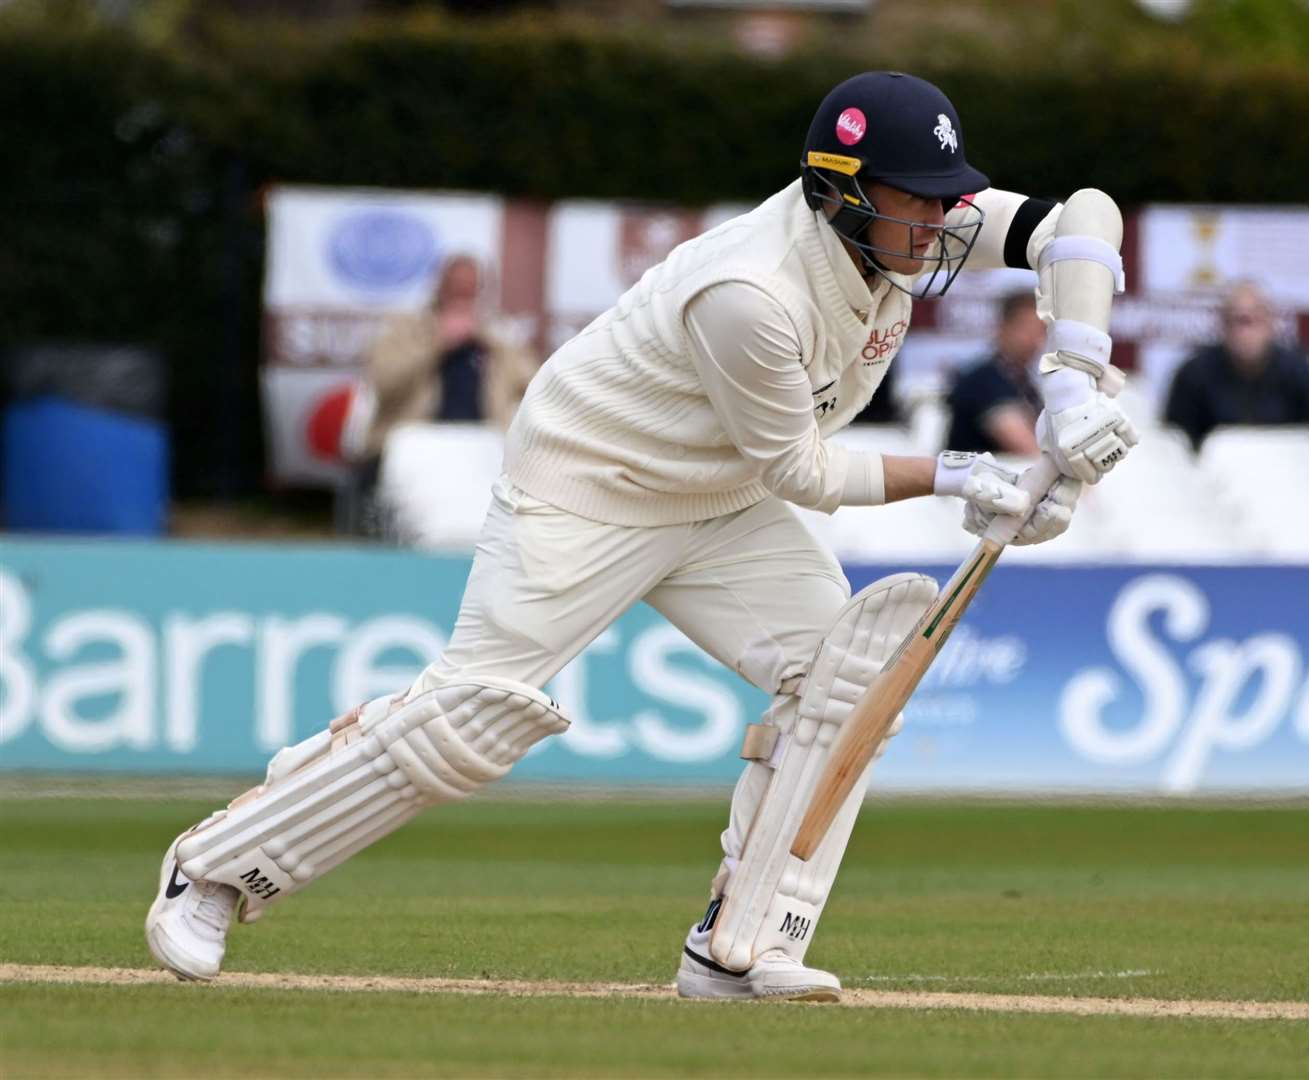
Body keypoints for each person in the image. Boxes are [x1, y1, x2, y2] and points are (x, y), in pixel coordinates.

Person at [145, 71, 1137, 1002]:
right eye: (915, 199)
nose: (939, 221)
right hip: (590, 485)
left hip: (717, 498)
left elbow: (1080, 220)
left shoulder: (901, 227)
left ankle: (739, 948)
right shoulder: (751, 294)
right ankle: (212, 873)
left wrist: (1069, 383)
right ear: (837, 191)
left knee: (845, 681)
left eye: (944, 196)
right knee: (473, 715)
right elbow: (800, 472)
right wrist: (967, 475)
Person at [357, 253, 538, 456]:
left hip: (481, 445)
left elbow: (533, 384)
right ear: (440, 288)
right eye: (457, 288)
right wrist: (438, 346)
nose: (463, 296)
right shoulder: (405, 329)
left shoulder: (498, 335)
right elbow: (385, 383)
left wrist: (491, 341)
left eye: (471, 290)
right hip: (415, 442)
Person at [1163, 281, 1309, 453]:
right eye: (1237, 320)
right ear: (1222, 325)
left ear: (1271, 323)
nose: (1245, 332)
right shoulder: (1194, 374)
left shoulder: (1299, 371)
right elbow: (1175, 446)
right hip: (1218, 479)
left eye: (1254, 320)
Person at [943, 290, 1045, 455]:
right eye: (1025, 328)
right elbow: (1027, 447)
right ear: (1002, 327)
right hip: (972, 478)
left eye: (1040, 330)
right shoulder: (982, 381)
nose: (1033, 339)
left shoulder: (1023, 380)